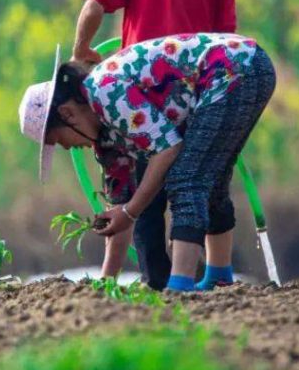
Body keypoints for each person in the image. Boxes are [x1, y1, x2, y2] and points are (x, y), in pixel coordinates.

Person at [70, 0, 237, 290]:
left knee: (145, 190)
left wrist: (81, 53)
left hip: (141, 98)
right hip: (196, 94)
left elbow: (94, 5)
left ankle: (157, 281)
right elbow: (225, 42)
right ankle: (217, 274)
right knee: (207, 179)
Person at [19, 33, 275, 292]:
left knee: (187, 178)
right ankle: (219, 277)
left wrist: (130, 211)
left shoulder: (104, 91)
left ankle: (180, 285)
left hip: (236, 67)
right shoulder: (106, 141)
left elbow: (168, 149)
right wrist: (107, 282)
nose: (67, 147)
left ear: (66, 114)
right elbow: (120, 211)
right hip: (241, 68)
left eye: (59, 140)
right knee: (210, 177)